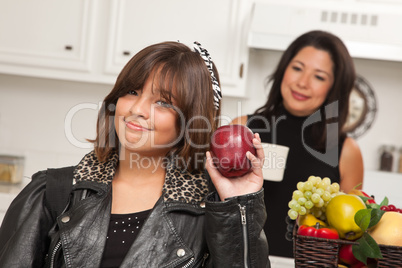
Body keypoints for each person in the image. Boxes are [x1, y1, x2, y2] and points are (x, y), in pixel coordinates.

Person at [0, 41, 270, 267]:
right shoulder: (53, 192)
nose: (137, 108)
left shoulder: (210, 210)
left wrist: (238, 207)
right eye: (132, 91)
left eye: (163, 102)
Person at [231, 30, 364, 258]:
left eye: (319, 77)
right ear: (284, 69)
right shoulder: (242, 128)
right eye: (297, 68)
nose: (302, 83)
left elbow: (351, 233)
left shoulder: (346, 150)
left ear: (334, 88)